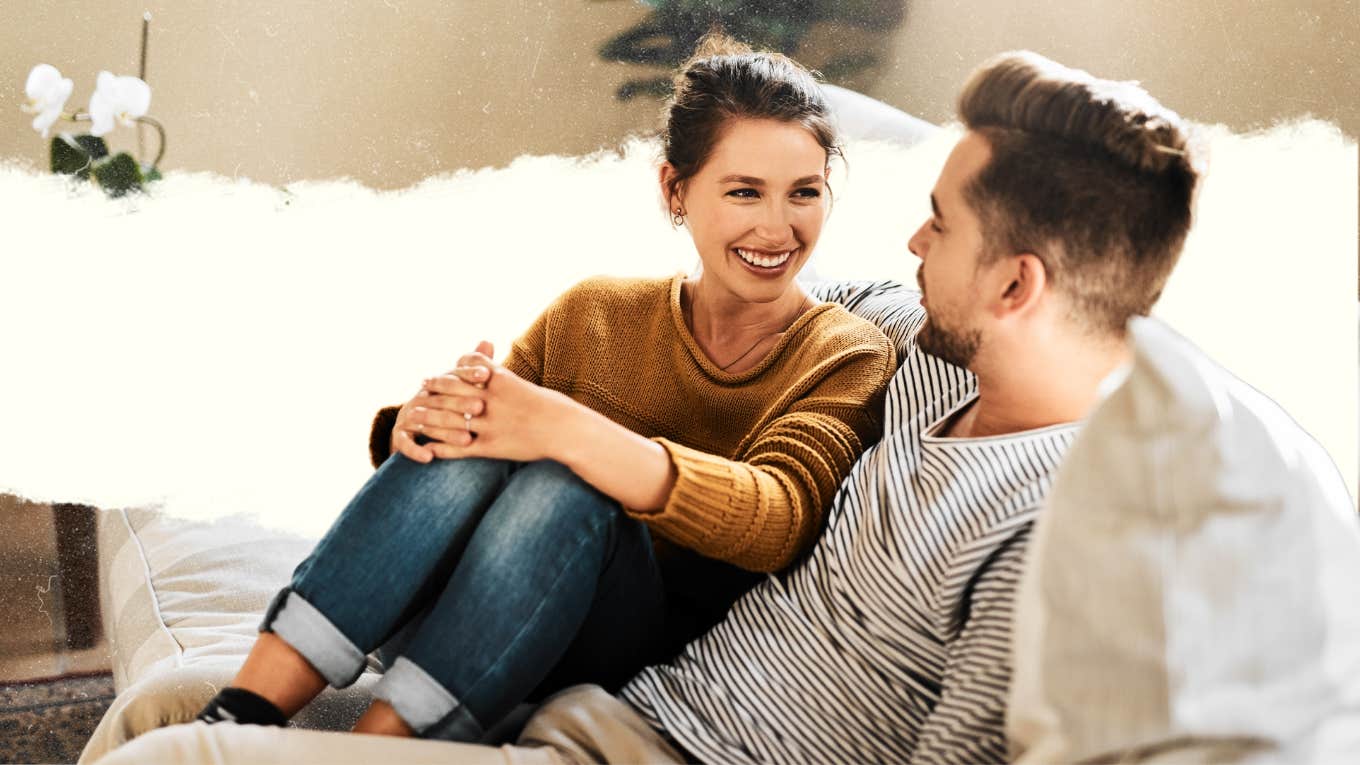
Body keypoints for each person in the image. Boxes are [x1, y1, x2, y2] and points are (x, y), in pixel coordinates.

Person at [100, 49, 1202, 765]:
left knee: (179, 759)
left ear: (1016, 287)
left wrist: (561, 431)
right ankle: (273, 708)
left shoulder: (1055, 525)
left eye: (941, 227)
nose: (909, 243)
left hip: (655, 742)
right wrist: (430, 417)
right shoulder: (916, 343)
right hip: (604, 704)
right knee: (173, 706)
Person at [186, 34, 896, 744]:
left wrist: (567, 432)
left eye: (804, 193)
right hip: (452, 622)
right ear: (675, 190)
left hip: (614, 650)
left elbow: (778, 517)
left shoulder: (844, 352)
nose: (778, 227)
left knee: (570, 485)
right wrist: (423, 420)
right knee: (492, 419)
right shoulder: (594, 311)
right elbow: (481, 447)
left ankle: (373, 752)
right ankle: (240, 714)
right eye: (745, 191)